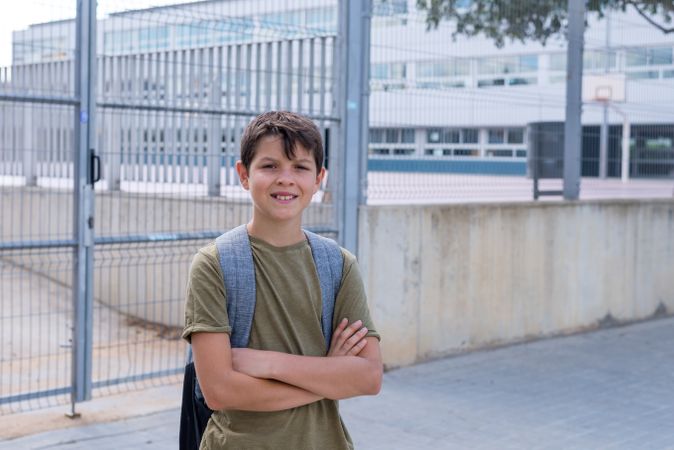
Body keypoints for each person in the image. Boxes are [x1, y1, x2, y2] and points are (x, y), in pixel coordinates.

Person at [182, 111, 382, 449]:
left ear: (319, 178)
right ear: (244, 174)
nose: (285, 178)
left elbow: (368, 377)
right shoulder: (214, 264)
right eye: (270, 166)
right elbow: (219, 391)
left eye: (300, 167)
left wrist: (266, 363)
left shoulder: (339, 265)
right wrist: (328, 373)